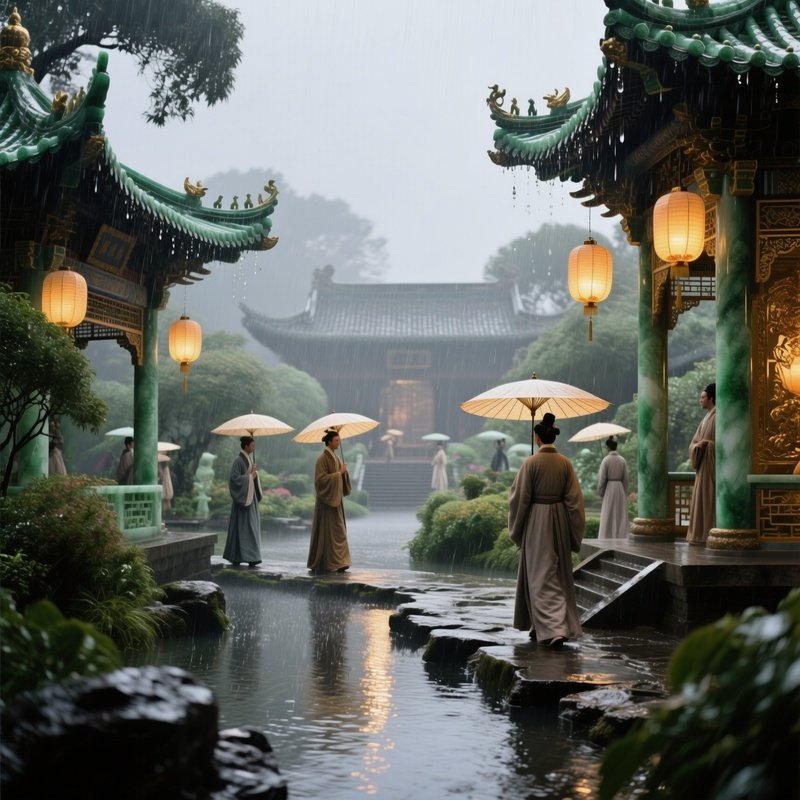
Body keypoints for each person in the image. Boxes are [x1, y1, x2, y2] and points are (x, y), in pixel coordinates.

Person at [508, 412, 584, 648]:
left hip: (537, 520)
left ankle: (555, 629)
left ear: (538, 438)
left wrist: (517, 528)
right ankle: (538, 625)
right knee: (556, 573)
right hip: (559, 519)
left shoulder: (530, 463)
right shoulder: (565, 463)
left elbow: (519, 498)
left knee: (540, 575)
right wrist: (573, 531)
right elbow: (575, 501)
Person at [307, 429, 352, 574]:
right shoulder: (322, 459)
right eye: (337, 440)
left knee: (339, 531)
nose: (339, 442)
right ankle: (329, 562)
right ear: (329, 441)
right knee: (329, 532)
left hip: (336, 501)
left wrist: (343, 472)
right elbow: (320, 481)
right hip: (327, 502)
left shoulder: (336, 458)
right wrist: (339, 474)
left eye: (339, 440)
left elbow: (340, 476)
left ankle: (340, 562)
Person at [223, 436, 263, 567]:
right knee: (243, 528)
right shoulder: (238, 460)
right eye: (252, 445)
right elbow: (234, 480)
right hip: (243, 501)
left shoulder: (249, 460)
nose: (254, 447)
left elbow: (249, 477)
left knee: (251, 527)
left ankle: (252, 556)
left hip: (250, 499)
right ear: (246, 446)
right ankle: (240, 556)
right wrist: (250, 476)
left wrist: (253, 475)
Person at [686, 382, 716, 545]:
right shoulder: (706, 418)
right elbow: (694, 443)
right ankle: (700, 534)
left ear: (711, 398)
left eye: (703, 397)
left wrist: (708, 445)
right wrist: (697, 446)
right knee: (703, 501)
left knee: (709, 500)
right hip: (703, 465)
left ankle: (709, 533)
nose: (700, 400)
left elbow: (724, 446)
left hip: (711, 467)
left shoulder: (718, 416)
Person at [597, 436, 629, 539]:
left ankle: (607, 536)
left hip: (609, 488)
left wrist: (601, 492)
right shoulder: (622, 460)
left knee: (608, 513)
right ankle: (621, 536)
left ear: (607, 447)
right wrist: (623, 490)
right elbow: (626, 478)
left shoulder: (605, 460)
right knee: (620, 514)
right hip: (619, 488)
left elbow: (602, 479)